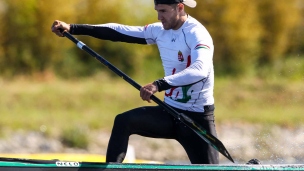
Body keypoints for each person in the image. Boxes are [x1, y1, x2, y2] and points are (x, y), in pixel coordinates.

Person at [51, 0, 219, 164]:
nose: (159, 17)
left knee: (210, 170)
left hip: (196, 119)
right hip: (169, 112)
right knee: (123, 121)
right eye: (157, 11)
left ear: (180, 7)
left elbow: (200, 69)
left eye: (163, 11)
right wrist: (73, 28)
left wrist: (158, 84)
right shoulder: (158, 30)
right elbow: (118, 31)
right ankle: (111, 169)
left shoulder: (196, 33)